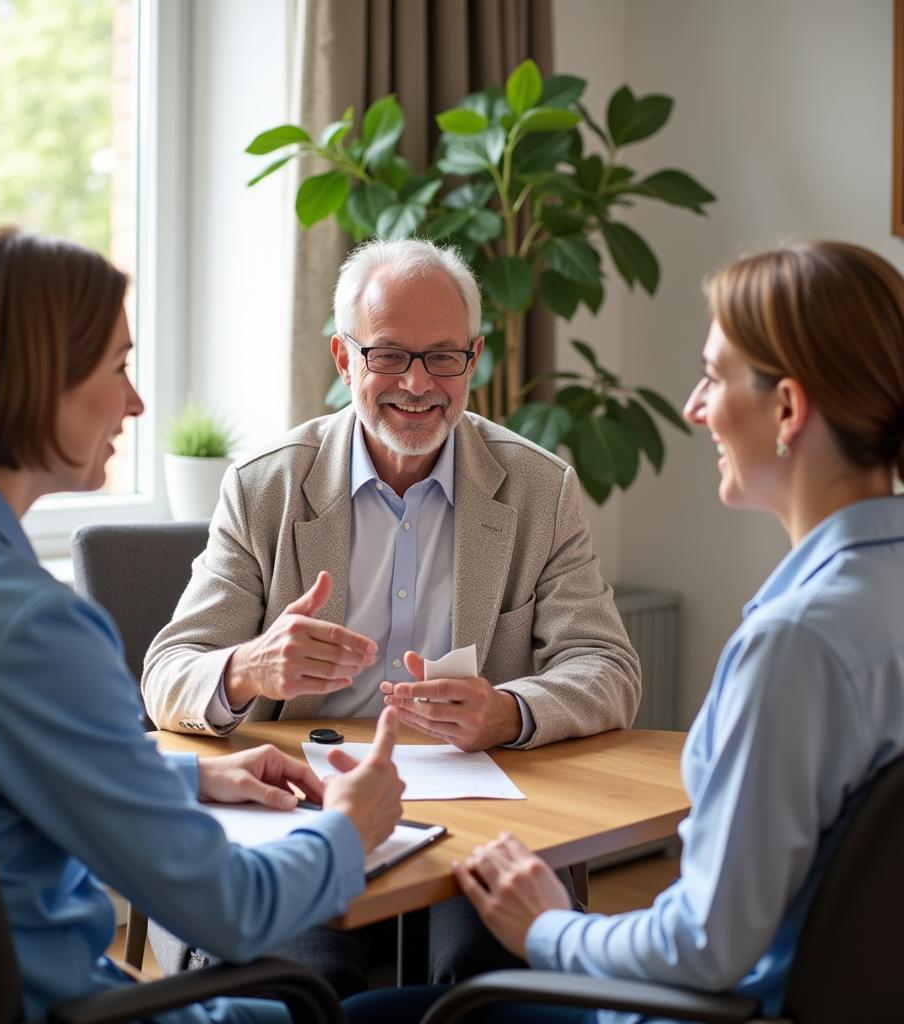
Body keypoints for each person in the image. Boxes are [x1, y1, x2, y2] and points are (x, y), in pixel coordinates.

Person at [342, 239, 904, 1023]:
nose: (694, 407)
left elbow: (705, 948)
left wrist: (551, 929)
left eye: (712, 376)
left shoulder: (797, 644)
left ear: (786, 409)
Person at [0, 224, 406, 1024]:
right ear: (36, 380)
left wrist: (190, 776)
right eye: (119, 366)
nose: (136, 400)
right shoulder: (34, 626)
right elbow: (231, 911)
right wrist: (347, 829)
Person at [140, 237, 641, 991]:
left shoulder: (541, 490)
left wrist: (508, 711)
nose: (417, 383)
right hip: (308, 808)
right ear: (345, 360)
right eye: (388, 355)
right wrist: (249, 666)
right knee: (300, 983)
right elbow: (167, 673)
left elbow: (608, 668)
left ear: (474, 359)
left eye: (443, 357)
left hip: (480, 814)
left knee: (487, 980)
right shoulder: (265, 487)